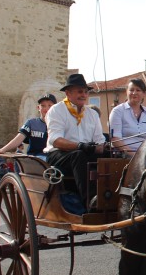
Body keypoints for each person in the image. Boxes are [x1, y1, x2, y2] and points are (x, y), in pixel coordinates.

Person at [44, 74, 106, 204]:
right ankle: (91, 201)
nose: (83, 95)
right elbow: (55, 140)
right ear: (68, 93)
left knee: (112, 156)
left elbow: (100, 140)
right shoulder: (56, 110)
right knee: (78, 155)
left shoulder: (92, 114)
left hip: (84, 152)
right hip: (58, 154)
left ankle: (111, 196)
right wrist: (80, 145)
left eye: (85, 92)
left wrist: (104, 148)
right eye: (79, 91)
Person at [0, 94, 56, 161]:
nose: (46, 108)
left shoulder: (60, 124)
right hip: (36, 159)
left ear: (55, 108)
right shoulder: (31, 123)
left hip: (54, 158)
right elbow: (18, 139)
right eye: (43, 106)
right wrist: (2, 149)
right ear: (38, 108)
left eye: (50, 105)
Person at [108, 78, 146, 157]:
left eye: (138, 90)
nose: (134, 93)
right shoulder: (117, 111)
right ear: (126, 92)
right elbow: (115, 140)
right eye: (131, 90)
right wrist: (134, 155)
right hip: (123, 156)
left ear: (144, 94)